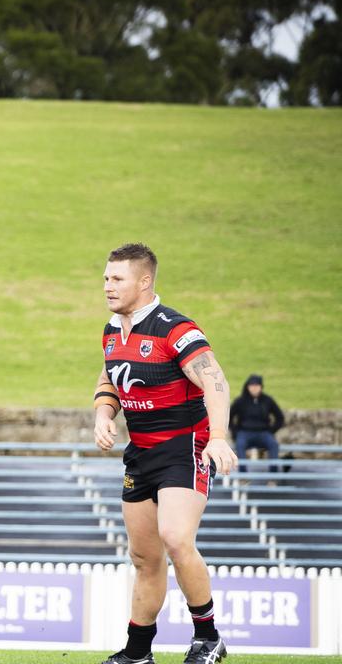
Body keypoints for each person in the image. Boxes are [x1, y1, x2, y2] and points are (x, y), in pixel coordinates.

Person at [93, 243, 237, 664]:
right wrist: (104, 415)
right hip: (141, 453)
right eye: (105, 278)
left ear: (144, 281)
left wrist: (218, 437)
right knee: (144, 558)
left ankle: (207, 638)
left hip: (183, 448)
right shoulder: (110, 330)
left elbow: (215, 381)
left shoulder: (176, 329)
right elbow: (110, 378)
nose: (107, 285)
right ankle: (138, 653)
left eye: (117, 278)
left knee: (176, 538)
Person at [230, 374, 286, 474]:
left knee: (273, 445)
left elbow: (280, 418)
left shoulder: (268, 400)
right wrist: (235, 433)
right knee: (240, 444)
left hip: (263, 433)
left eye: (257, 386)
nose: (254, 388)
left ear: (261, 387)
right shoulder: (240, 401)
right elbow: (229, 417)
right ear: (248, 387)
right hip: (244, 432)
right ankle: (243, 475)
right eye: (252, 386)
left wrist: (271, 431)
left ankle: (273, 476)